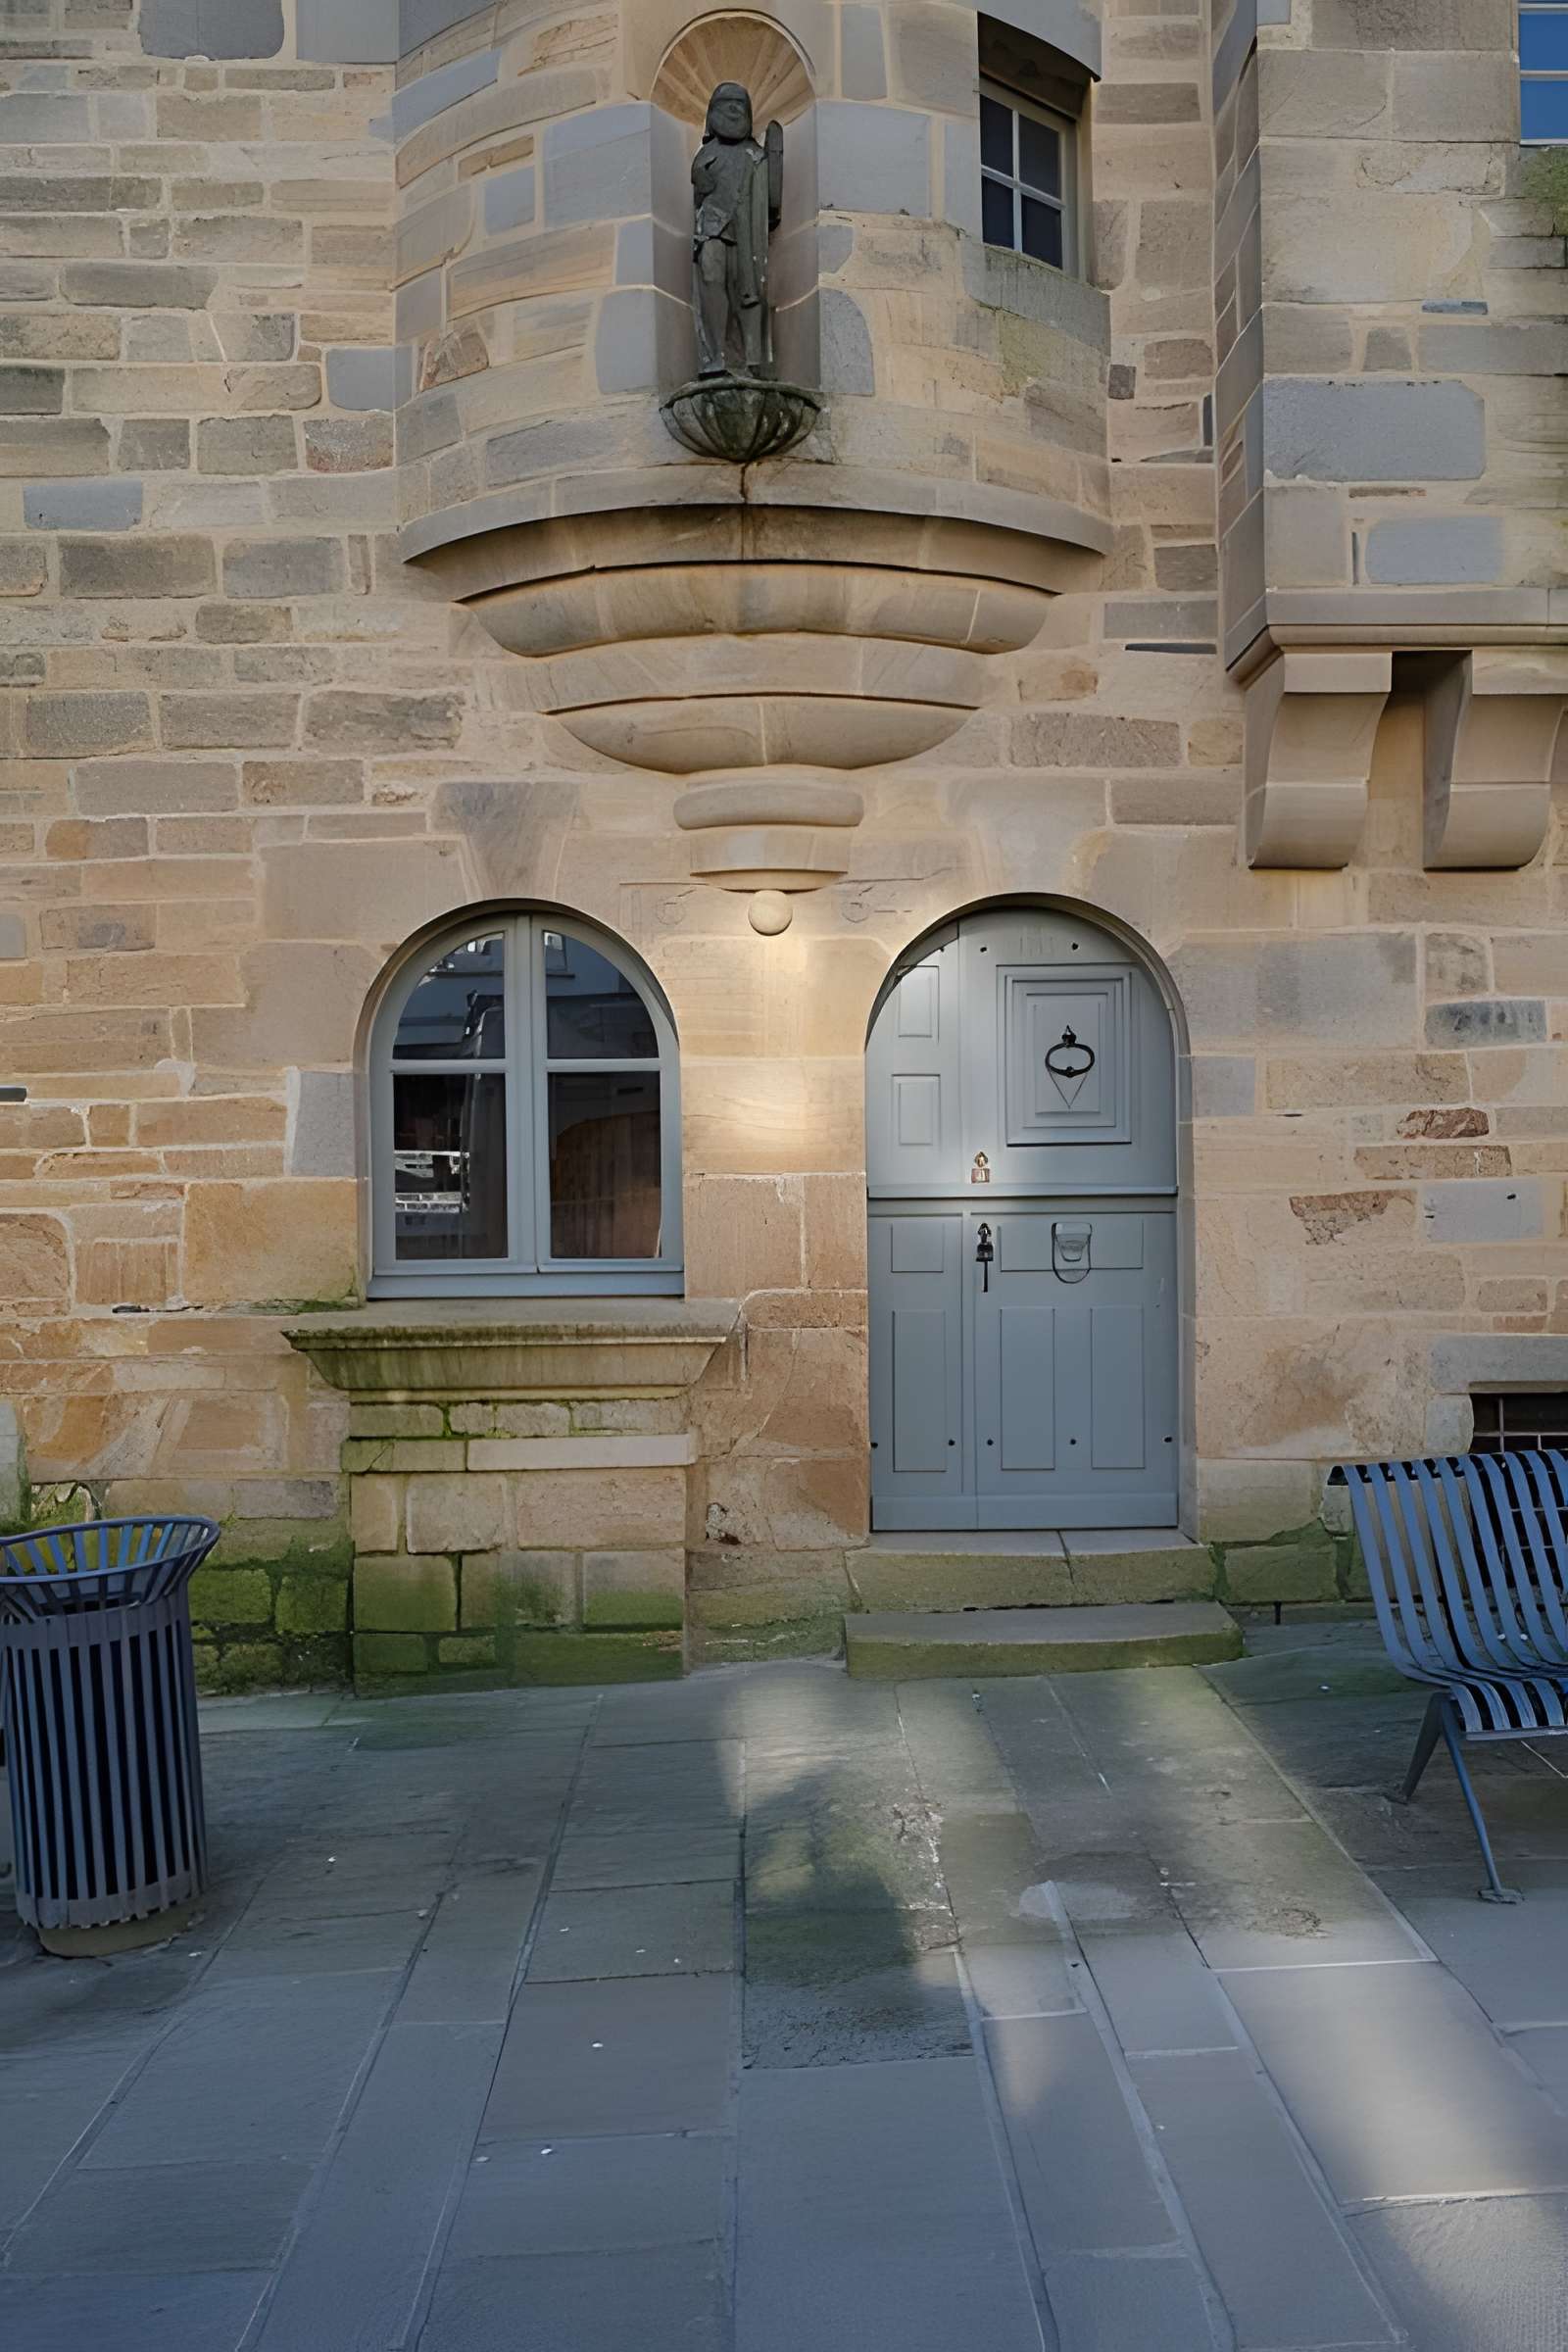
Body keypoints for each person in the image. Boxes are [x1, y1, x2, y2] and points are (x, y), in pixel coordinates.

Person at [691, 81, 781, 379]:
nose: (732, 109)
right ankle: (715, 355)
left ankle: (753, 358)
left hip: (747, 232)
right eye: (726, 103)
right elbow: (700, 195)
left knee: (749, 290)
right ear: (712, 113)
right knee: (711, 274)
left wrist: (773, 162)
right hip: (714, 227)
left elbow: (771, 203)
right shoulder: (706, 155)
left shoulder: (755, 154)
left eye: (739, 104)